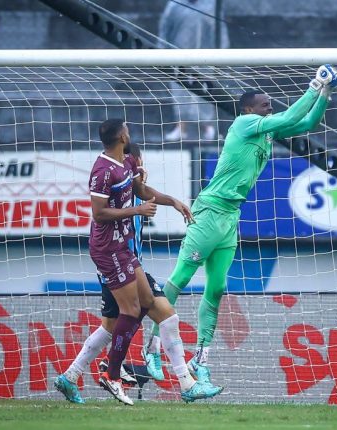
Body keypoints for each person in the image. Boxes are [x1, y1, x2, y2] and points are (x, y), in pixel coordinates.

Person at [145, 66, 337, 383]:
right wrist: (314, 84)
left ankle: (201, 360)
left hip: (230, 216)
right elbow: (291, 116)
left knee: (217, 288)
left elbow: (305, 123)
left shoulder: (264, 131)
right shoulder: (245, 124)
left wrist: (325, 93)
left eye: (269, 105)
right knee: (180, 278)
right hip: (209, 211)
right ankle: (152, 349)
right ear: (249, 109)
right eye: (265, 105)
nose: (270, 108)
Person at [55, 139, 222, 404]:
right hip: (117, 264)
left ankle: (73, 375)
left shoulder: (130, 186)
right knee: (162, 315)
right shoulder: (118, 190)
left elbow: (143, 191)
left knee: (113, 325)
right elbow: (106, 215)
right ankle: (145, 373)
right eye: (137, 161)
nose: (139, 166)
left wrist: (173, 201)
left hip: (126, 263)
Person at [159, 0, 229, 141]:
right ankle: (181, 127)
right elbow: (164, 29)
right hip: (178, 56)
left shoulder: (211, 5)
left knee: (205, 90)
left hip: (205, 57)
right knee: (180, 91)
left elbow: (220, 29)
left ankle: (208, 127)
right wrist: (161, 51)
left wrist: (222, 52)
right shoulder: (175, 5)